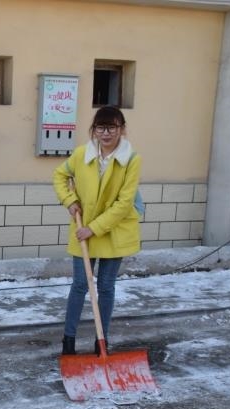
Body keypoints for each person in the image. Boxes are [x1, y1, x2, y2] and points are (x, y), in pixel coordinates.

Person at [52, 106, 141, 355]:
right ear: (94, 130)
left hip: (113, 231)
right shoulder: (82, 154)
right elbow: (59, 176)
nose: (106, 133)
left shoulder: (131, 159)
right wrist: (69, 201)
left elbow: (124, 203)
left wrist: (94, 229)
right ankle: (68, 342)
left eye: (112, 127)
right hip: (84, 230)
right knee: (80, 285)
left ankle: (101, 342)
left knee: (106, 287)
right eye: (101, 127)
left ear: (121, 129)